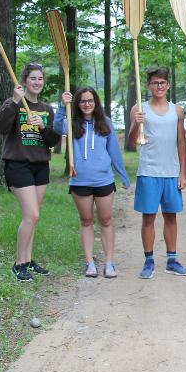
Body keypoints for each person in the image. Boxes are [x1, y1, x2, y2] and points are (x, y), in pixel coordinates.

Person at [0, 63, 61, 282]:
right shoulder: (14, 103)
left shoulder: (46, 109)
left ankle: (29, 259)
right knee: (31, 214)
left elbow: (53, 141)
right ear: (24, 81)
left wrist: (42, 126)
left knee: (33, 217)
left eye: (40, 78)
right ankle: (18, 263)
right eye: (33, 78)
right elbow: (0, 127)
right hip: (18, 164)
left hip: (40, 165)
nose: (37, 82)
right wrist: (14, 101)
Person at [54, 87, 130, 278]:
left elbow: (114, 152)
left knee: (106, 220)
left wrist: (123, 175)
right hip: (80, 181)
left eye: (90, 100)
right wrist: (63, 107)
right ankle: (89, 263)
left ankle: (109, 263)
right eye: (82, 101)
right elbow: (56, 127)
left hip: (103, 179)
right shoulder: (72, 124)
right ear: (77, 104)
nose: (87, 104)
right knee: (86, 221)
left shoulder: (105, 123)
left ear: (95, 102)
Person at [129, 68, 186, 279]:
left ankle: (172, 260)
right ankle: (149, 261)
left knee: (171, 217)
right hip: (148, 170)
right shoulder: (139, 108)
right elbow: (131, 141)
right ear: (148, 86)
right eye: (155, 83)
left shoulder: (177, 111)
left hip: (171, 171)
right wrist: (136, 123)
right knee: (148, 218)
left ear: (168, 85)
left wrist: (182, 172)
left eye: (163, 82)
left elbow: (181, 142)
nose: (159, 86)